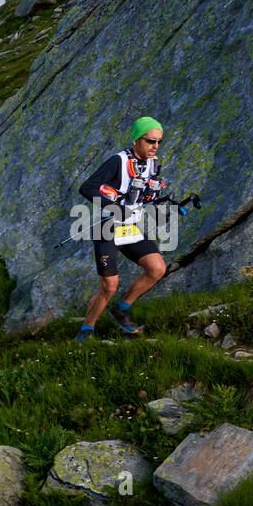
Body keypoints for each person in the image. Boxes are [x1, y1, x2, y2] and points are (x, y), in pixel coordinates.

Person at [75, 116, 168, 342]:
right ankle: (86, 330)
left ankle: (121, 309)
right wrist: (115, 208)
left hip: (129, 228)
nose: (155, 146)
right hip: (107, 227)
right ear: (136, 139)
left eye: (158, 142)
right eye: (150, 141)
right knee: (109, 286)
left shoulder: (154, 163)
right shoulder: (117, 161)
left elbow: (146, 194)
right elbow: (86, 188)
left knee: (157, 269)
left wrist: (165, 202)